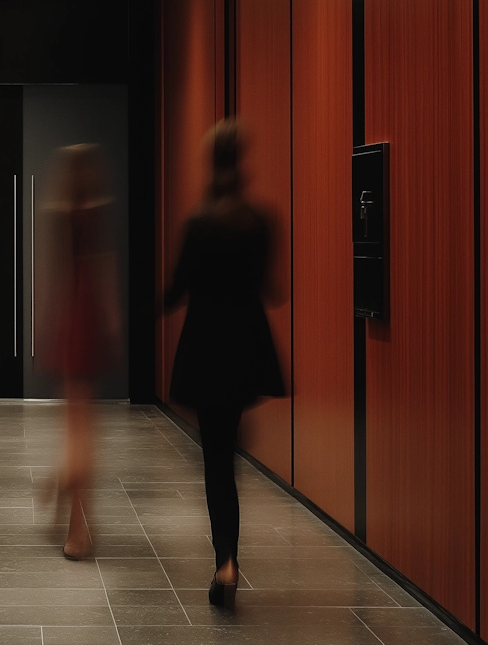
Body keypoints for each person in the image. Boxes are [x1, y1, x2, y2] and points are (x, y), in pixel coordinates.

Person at [163, 119, 285, 608]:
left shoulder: (197, 221)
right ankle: (228, 558)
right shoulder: (260, 220)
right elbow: (272, 289)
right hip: (248, 349)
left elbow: (176, 292)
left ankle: (226, 563)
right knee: (226, 452)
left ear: (211, 163)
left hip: (206, 349)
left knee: (216, 463)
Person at [38, 144, 121, 560]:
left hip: (72, 317)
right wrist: (110, 319)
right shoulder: (91, 211)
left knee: (77, 427)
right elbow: (101, 268)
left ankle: (64, 494)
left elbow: (55, 272)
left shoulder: (60, 212)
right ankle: (77, 524)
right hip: (83, 316)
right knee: (83, 429)